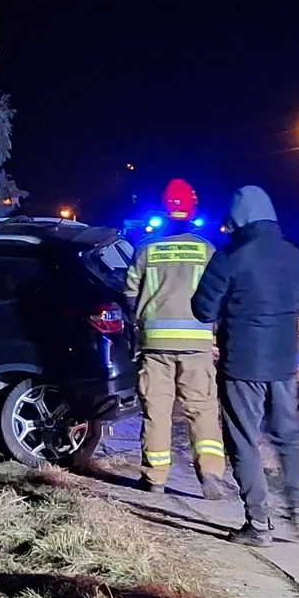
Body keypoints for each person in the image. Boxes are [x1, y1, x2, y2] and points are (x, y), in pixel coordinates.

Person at [191, 185, 299, 547]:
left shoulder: (230, 257)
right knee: (287, 436)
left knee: (243, 441)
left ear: (239, 218)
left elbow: (203, 310)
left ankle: (259, 524)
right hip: (284, 363)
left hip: (242, 364)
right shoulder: (298, 256)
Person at [124, 186, 228, 500]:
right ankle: (210, 474)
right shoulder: (207, 250)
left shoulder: (145, 248)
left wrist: (139, 323)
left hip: (155, 346)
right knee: (202, 410)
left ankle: (154, 478)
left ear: (163, 209)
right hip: (197, 345)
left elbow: (129, 294)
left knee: (157, 411)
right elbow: (217, 296)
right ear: (193, 210)